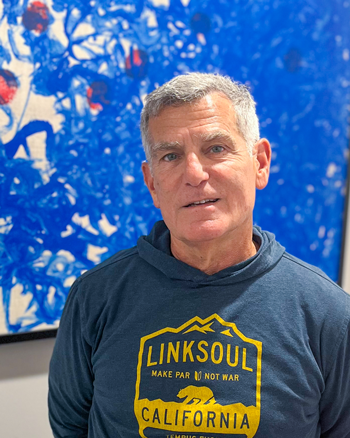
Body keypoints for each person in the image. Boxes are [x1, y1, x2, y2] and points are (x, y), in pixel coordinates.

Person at [48, 73, 350, 438]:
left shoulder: (328, 314)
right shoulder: (94, 297)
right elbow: (69, 427)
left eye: (216, 148)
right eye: (171, 155)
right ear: (152, 183)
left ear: (260, 163)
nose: (194, 173)